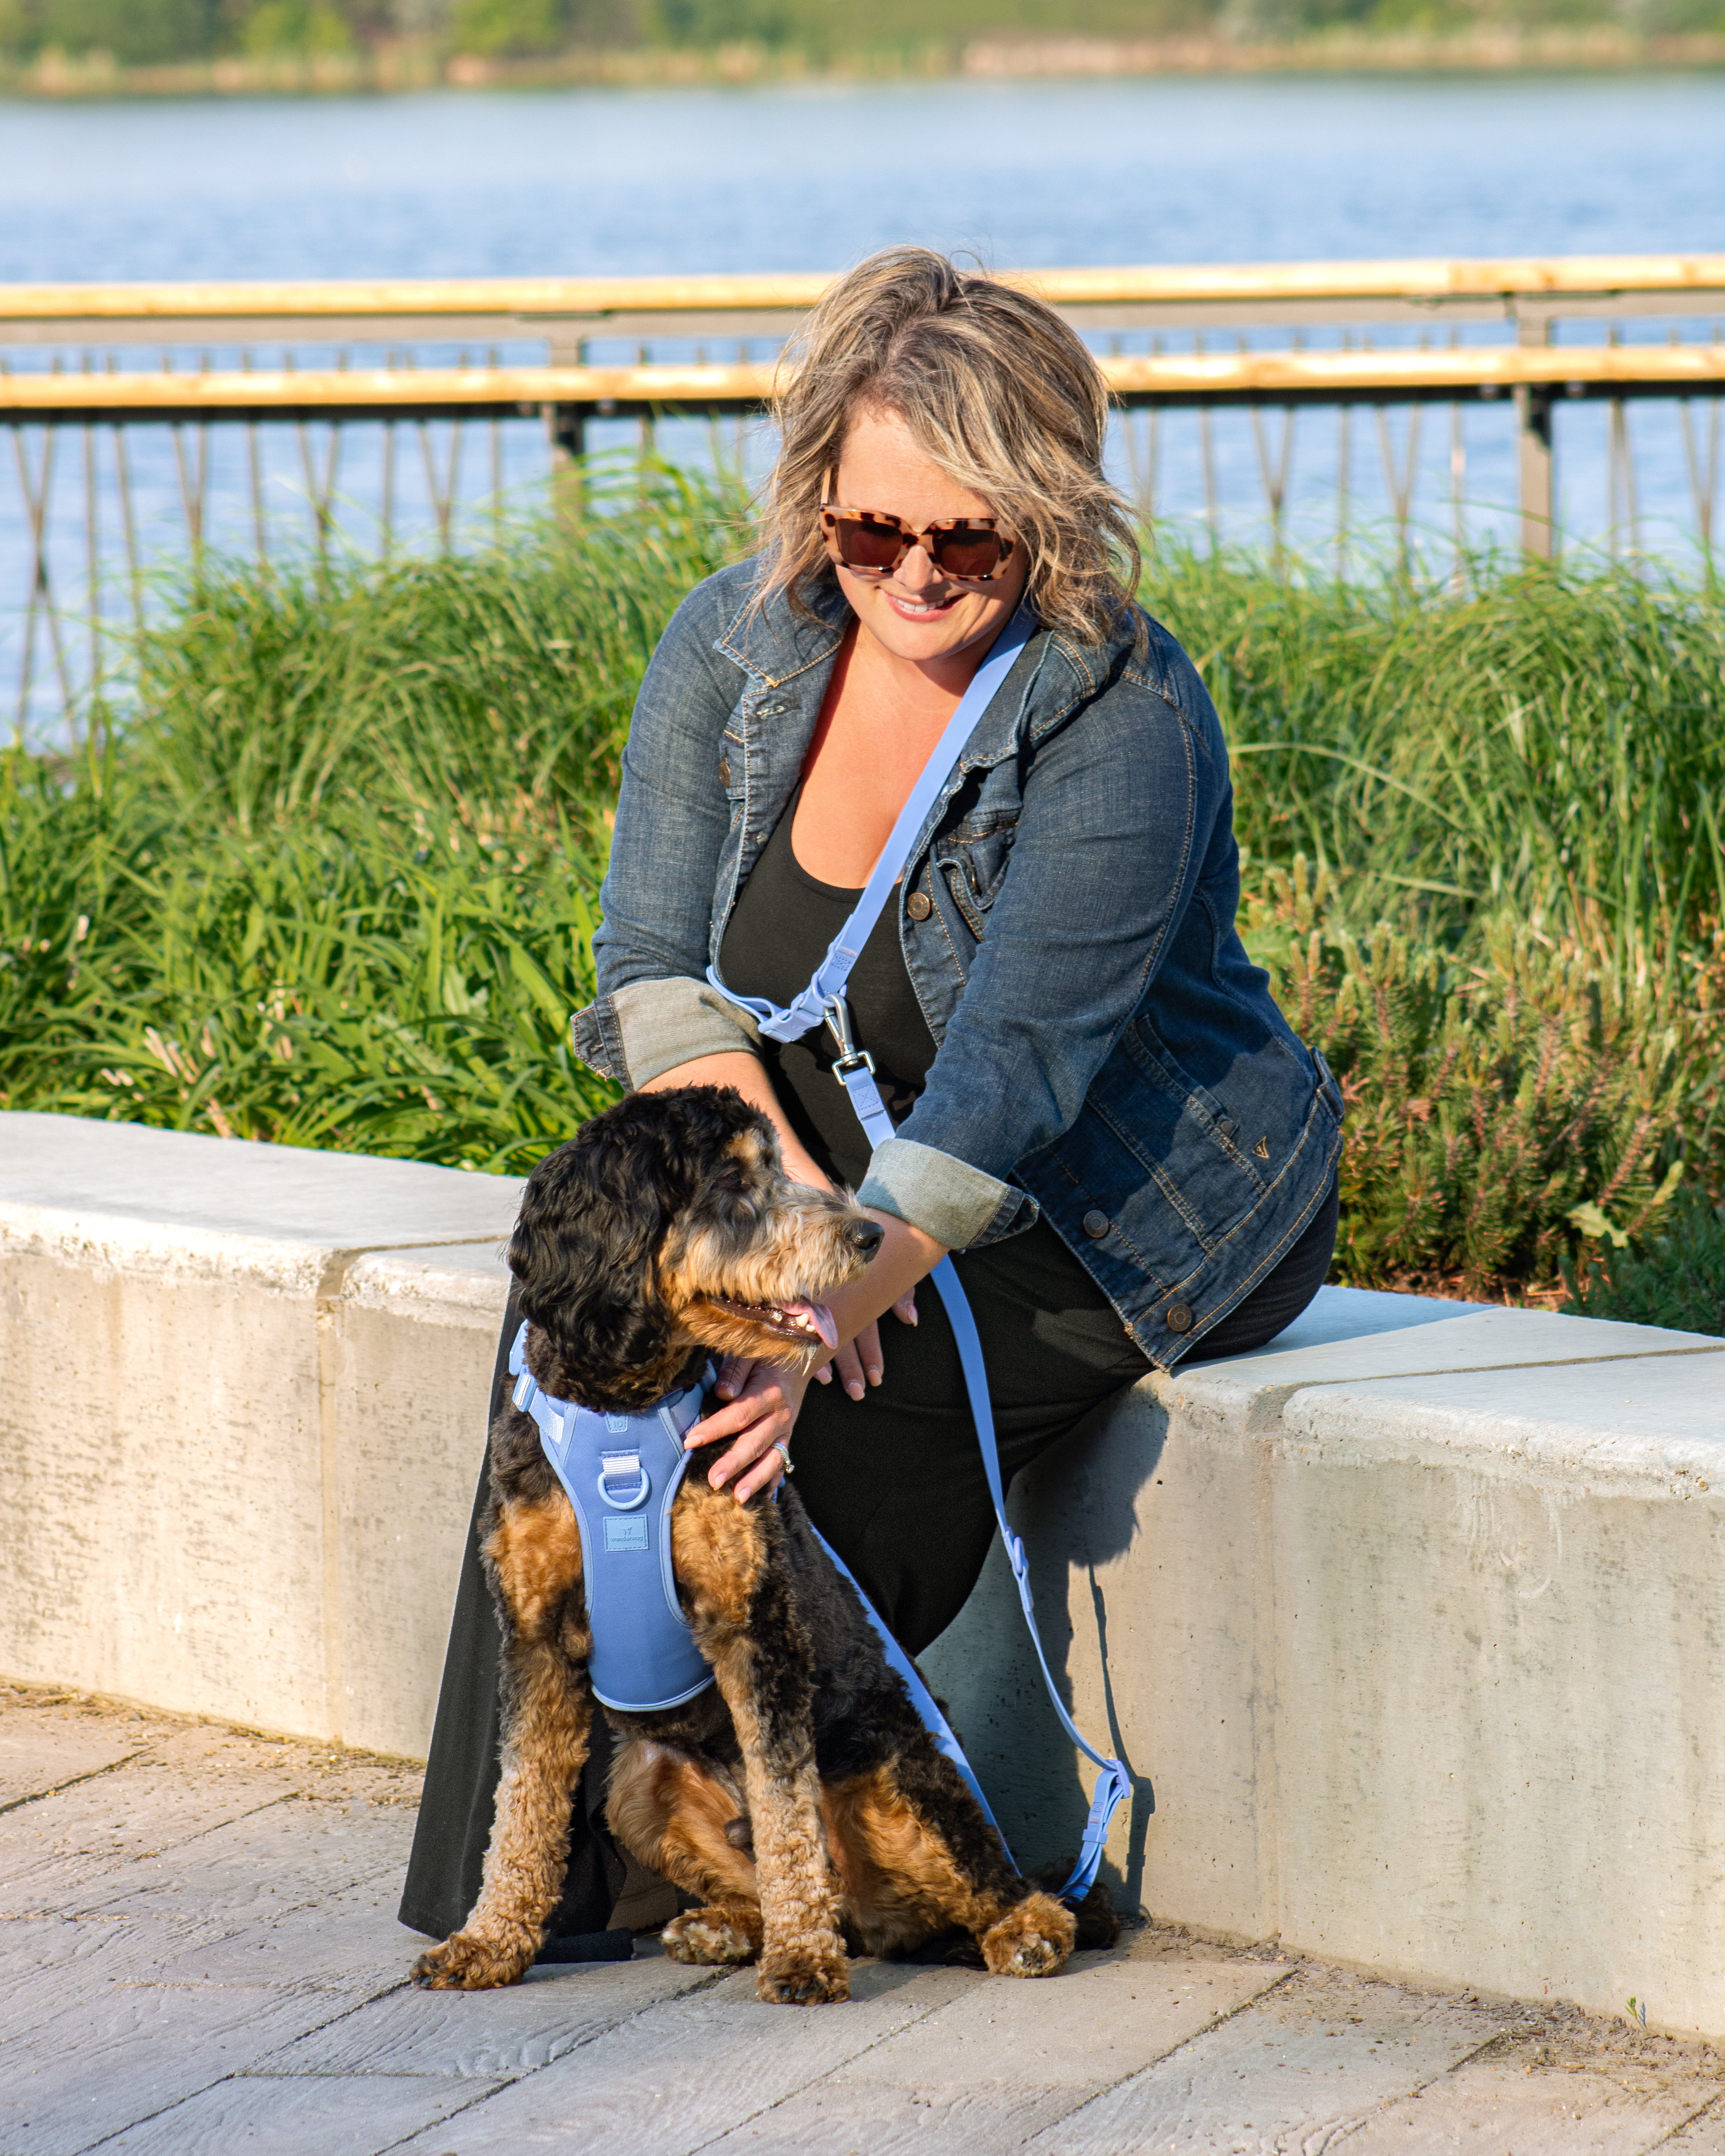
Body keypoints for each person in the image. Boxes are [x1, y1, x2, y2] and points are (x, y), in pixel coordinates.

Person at [400, 246, 1342, 1950]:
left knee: (798, 1420)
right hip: (835, 1172)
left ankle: (902, 1852)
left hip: (1120, 1202)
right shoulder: (740, 639)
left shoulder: (1119, 705)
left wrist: (831, 1292)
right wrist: (769, 1238)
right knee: (577, 1342)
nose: (913, 570)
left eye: (965, 535)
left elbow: (1017, 1071)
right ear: (816, 500)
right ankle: (546, 1868)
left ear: (1046, 513)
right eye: (869, 529)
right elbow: (654, 970)